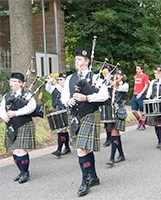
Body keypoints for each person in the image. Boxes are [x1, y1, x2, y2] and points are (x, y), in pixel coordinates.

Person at [61, 49, 109, 196]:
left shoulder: (95, 78)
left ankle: (85, 180)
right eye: (76, 59)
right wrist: (67, 101)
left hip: (89, 114)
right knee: (86, 149)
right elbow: (64, 95)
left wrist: (87, 98)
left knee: (81, 149)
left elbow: (104, 96)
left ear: (87, 61)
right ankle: (93, 177)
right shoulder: (70, 78)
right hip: (75, 116)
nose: (77, 61)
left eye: (80, 59)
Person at [0, 72, 36, 183]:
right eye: (10, 81)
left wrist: (16, 113)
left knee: (21, 150)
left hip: (24, 124)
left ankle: (25, 172)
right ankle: (21, 171)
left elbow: (32, 107)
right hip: (11, 126)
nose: (11, 83)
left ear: (20, 83)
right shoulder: (6, 96)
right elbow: (2, 108)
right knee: (15, 151)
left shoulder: (27, 95)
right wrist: (3, 116)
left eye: (14, 81)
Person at [105, 69, 129, 166]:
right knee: (115, 134)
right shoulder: (110, 85)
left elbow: (118, 87)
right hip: (111, 109)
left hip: (119, 110)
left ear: (122, 77)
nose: (116, 76)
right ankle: (121, 155)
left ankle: (112, 158)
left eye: (119, 75)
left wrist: (110, 80)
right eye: (116, 75)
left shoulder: (125, 85)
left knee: (114, 132)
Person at [45, 73, 71, 157]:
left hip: (64, 110)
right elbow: (48, 89)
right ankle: (67, 147)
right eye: (58, 79)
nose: (59, 81)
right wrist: (49, 82)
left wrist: (55, 83)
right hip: (56, 109)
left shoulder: (67, 88)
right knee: (61, 130)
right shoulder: (55, 88)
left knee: (61, 130)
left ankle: (59, 149)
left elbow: (62, 92)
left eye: (61, 79)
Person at [131, 64, 149, 131]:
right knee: (133, 111)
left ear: (141, 69)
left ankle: (143, 124)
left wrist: (141, 93)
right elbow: (135, 85)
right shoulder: (135, 76)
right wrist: (134, 92)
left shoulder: (145, 76)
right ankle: (140, 121)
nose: (137, 70)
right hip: (135, 94)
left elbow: (146, 85)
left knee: (142, 111)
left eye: (138, 69)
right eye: (136, 69)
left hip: (141, 94)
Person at [101, 64, 112, 147]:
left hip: (110, 102)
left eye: (106, 71)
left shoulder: (113, 79)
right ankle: (108, 137)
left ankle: (110, 138)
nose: (104, 72)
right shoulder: (102, 80)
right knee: (105, 121)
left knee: (109, 121)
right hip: (103, 102)